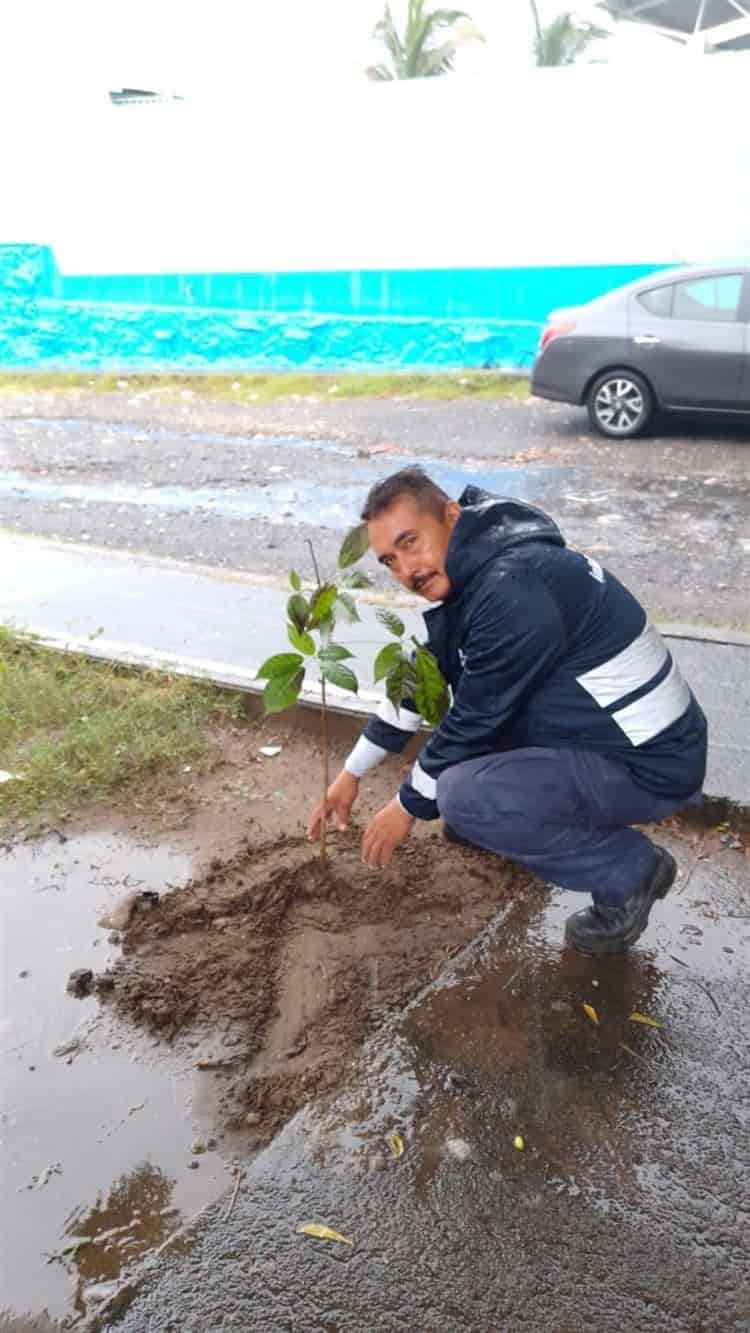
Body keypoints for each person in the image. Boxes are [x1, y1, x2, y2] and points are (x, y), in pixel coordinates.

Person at [307, 467, 707, 956]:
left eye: (411, 543)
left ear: (451, 516)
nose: (406, 571)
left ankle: (628, 871)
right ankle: (511, 821)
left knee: (460, 793)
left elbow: (475, 720)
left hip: (651, 764)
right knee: (467, 787)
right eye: (390, 560)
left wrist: (406, 807)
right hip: (621, 739)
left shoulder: (513, 588)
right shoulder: (485, 566)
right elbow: (420, 682)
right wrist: (350, 774)